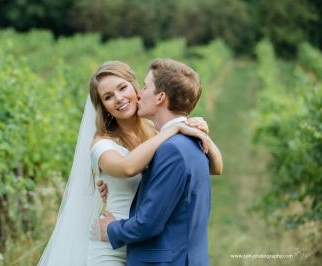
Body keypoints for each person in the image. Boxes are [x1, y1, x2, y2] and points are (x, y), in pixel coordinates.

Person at [38, 60, 222, 266]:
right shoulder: (102, 143)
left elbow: (213, 167)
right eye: (108, 97)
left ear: (136, 89)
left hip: (146, 243)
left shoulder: (156, 130)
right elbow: (127, 167)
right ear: (103, 107)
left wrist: (201, 135)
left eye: (122, 88)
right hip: (110, 244)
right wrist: (175, 129)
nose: (118, 99)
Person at [98, 59, 214, 265]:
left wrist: (111, 229)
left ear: (160, 97)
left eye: (144, 86)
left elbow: (148, 223)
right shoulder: (189, 141)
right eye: (108, 96)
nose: (139, 93)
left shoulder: (172, 148)